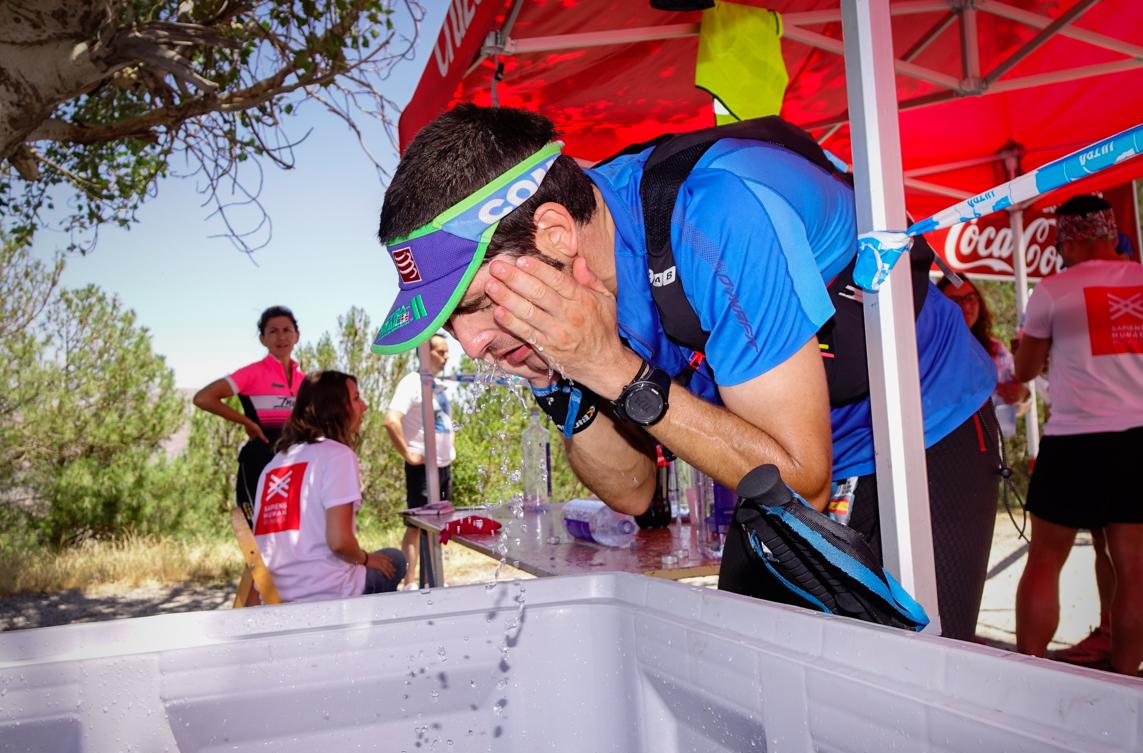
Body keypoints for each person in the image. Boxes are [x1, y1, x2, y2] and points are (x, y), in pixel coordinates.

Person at [373, 104, 999, 640]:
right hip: (768, 449)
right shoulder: (569, 287)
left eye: (477, 305)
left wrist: (610, 367)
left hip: (922, 426)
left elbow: (800, 479)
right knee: (751, 709)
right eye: (452, 324)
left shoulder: (716, 213)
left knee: (909, 706)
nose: (472, 342)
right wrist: (551, 379)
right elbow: (632, 491)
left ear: (556, 234)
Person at [1013, 194, 1143, 676]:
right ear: (1109, 232)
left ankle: (1028, 672)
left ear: (1068, 237)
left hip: (1076, 437)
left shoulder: (1054, 290)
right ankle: (1127, 682)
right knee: (1134, 565)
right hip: (1138, 437)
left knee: (1046, 559)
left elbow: (1025, 369)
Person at [251, 370, 406, 601]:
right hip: (325, 593)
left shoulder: (275, 464)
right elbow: (340, 542)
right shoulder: (337, 455)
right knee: (395, 559)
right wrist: (365, 558)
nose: (364, 406)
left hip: (276, 594)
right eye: (355, 398)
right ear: (333, 408)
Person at [193, 306, 305, 523]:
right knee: (256, 527)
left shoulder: (305, 380)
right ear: (262, 339)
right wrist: (246, 421)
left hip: (294, 463)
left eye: (286, 330)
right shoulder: (253, 373)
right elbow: (203, 398)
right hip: (259, 461)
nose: (281, 337)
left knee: (291, 527)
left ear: (297, 335)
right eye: (273, 331)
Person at [384, 333, 456, 590]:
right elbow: (391, 420)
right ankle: (411, 583)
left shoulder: (439, 384)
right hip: (423, 468)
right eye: (440, 351)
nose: (446, 356)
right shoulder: (412, 382)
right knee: (418, 526)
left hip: (444, 465)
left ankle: (433, 578)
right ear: (425, 353)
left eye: (447, 351)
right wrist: (408, 454)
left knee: (438, 526)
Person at [939, 275, 1030, 439]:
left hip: (989, 443)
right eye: (955, 300)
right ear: (939, 307)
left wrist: (1023, 396)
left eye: (970, 298)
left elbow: (1019, 408)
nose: (965, 305)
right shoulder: (932, 349)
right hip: (944, 443)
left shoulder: (996, 349)